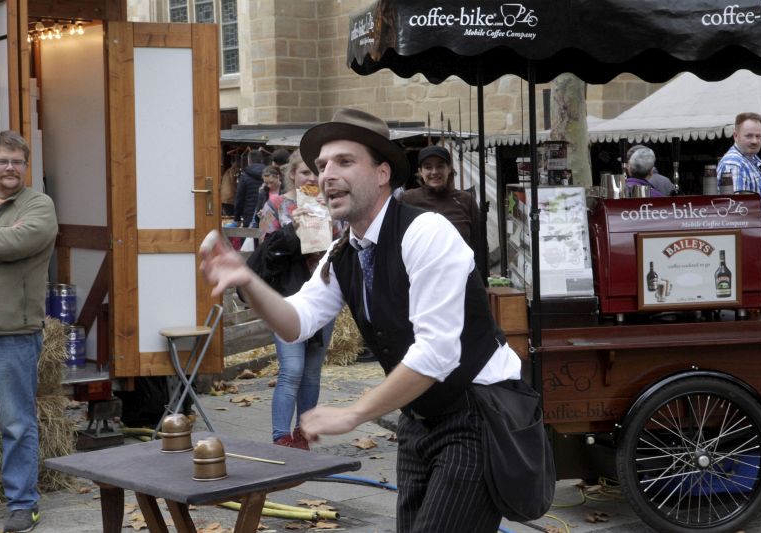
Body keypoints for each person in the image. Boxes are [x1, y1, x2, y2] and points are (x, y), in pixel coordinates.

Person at [201, 108, 521, 532]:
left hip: (478, 412)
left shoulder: (426, 232)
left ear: (382, 173)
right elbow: (296, 322)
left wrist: (353, 413)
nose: (327, 175)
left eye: (345, 162)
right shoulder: (344, 252)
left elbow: (437, 353)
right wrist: (248, 279)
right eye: (322, 166)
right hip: (420, 418)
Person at [0, 131, 57, 532]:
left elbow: (19, 243)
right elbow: (5, 247)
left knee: (17, 423)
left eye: (17, 162)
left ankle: (23, 504)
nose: (10, 168)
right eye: (2, 161)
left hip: (14, 332)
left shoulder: (38, 205)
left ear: (25, 167)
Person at [255, 150, 338, 449]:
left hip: (322, 296)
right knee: (291, 370)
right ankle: (281, 437)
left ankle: (303, 434)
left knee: (312, 372)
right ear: (292, 174)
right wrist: (293, 228)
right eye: (305, 172)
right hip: (287, 299)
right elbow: (265, 252)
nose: (312, 178)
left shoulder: (331, 203)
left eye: (317, 171)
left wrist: (331, 225)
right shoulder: (276, 205)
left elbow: (343, 245)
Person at [400, 144, 485, 278]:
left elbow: (479, 246)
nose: (434, 172)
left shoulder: (466, 200)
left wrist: (481, 282)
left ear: (449, 169)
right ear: (420, 172)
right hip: (420, 280)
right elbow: (398, 245)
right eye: (428, 167)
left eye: (440, 166)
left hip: (461, 280)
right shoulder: (407, 199)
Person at [716, 112, 761, 197]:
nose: (754, 141)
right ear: (736, 136)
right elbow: (736, 204)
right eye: (749, 136)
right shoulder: (735, 164)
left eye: (758, 136)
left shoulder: (748, 160)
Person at [233, 149, 266, 227]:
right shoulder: (269, 174)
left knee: (249, 234)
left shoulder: (244, 176)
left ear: (249, 160)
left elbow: (239, 198)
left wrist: (237, 217)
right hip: (266, 214)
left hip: (249, 215)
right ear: (261, 160)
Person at [250, 166, 283, 230]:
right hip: (268, 228)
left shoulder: (286, 190)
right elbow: (258, 210)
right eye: (266, 183)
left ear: (278, 177)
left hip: (283, 227)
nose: (269, 185)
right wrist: (260, 214)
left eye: (271, 182)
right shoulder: (263, 192)